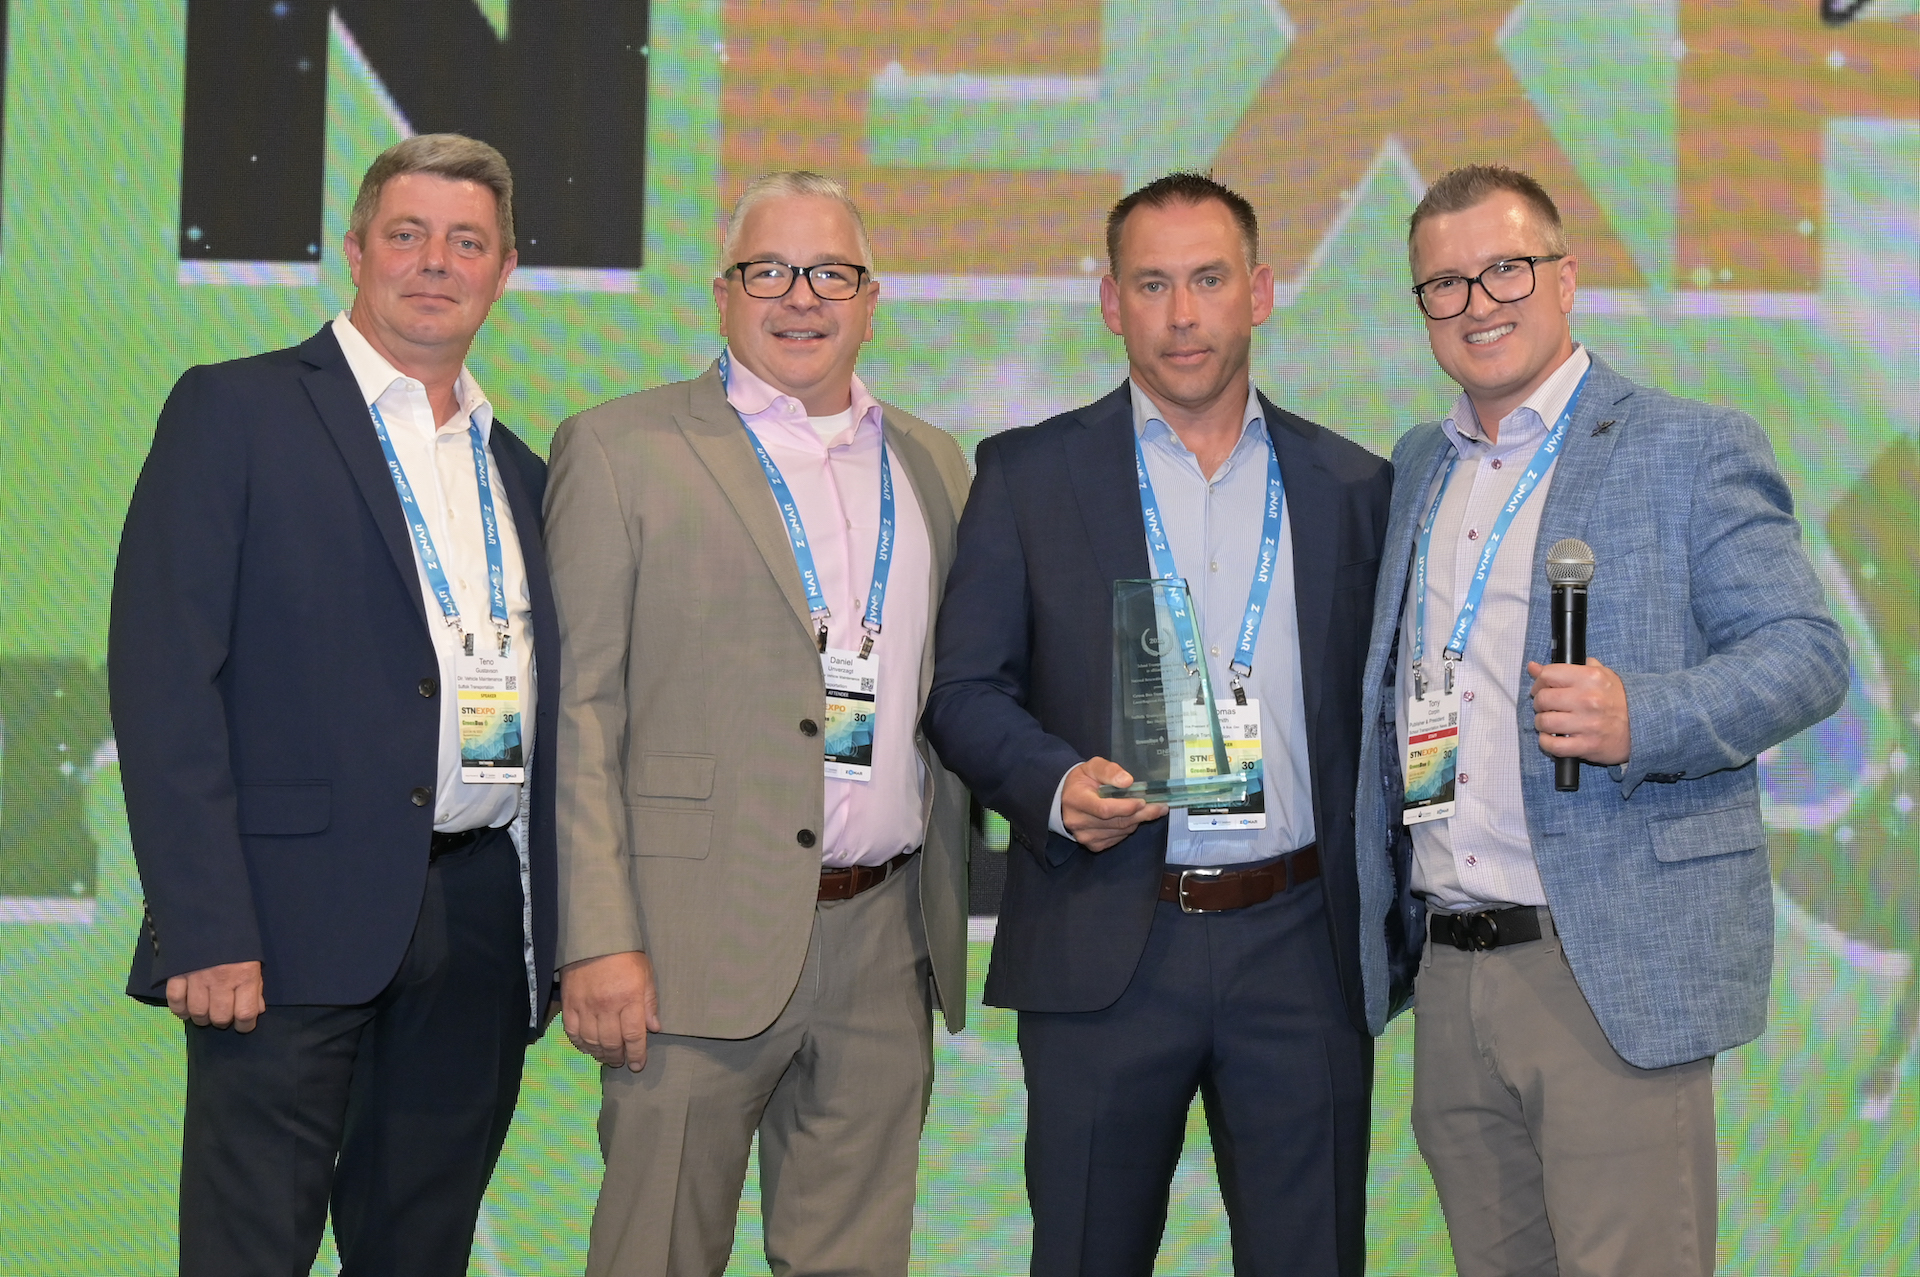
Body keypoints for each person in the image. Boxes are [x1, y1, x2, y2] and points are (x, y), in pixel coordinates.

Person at [1351, 163, 1850, 1276]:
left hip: (1604, 961)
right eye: (1445, 283)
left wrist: (1648, 715)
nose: (1479, 301)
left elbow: (1809, 654)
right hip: (1450, 963)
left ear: (1567, 278)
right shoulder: (1420, 464)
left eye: (1506, 269)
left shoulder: (1689, 443)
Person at [923, 172, 1392, 1277]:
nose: (1183, 314)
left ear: (1262, 291)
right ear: (1110, 302)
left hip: (1300, 946)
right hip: (1106, 940)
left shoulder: (1352, 485)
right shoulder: (1030, 473)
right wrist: (1049, 782)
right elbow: (964, 693)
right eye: (1153, 284)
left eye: (1209, 279)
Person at [109, 134, 557, 1276]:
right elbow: (166, 688)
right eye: (406, 235)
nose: (434, 263)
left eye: (468, 242)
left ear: (506, 271)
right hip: (281, 927)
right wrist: (204, 928)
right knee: (248, 1252)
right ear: (354, 252)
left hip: (472, 928)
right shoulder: (236, 412)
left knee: (421, 1253)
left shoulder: (525, 470)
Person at [545, 170, 971, 1277]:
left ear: (872, 297)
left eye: (832, 271)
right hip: (683, 949)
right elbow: (581, 709)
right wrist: (595, 934)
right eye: (767, 270)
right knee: (655, 1255)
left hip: (884, 941)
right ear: (721, 295)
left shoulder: (936, 463)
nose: (801, 297)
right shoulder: (619, 447)